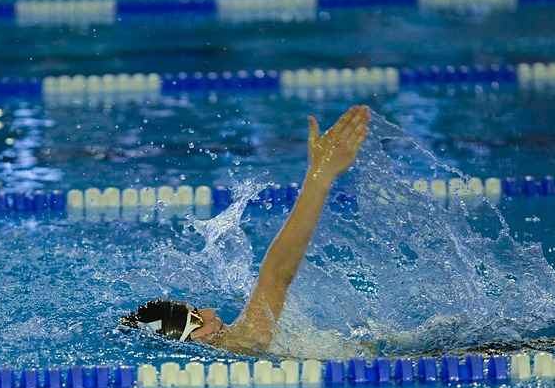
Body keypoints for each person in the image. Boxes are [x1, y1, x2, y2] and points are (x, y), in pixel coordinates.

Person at [121, 104, 371, 356]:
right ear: (191, 340)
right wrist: (319, 176)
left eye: (196, 309)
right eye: (196, 319)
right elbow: (276, 274)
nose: (208, 311)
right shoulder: (244, 340)